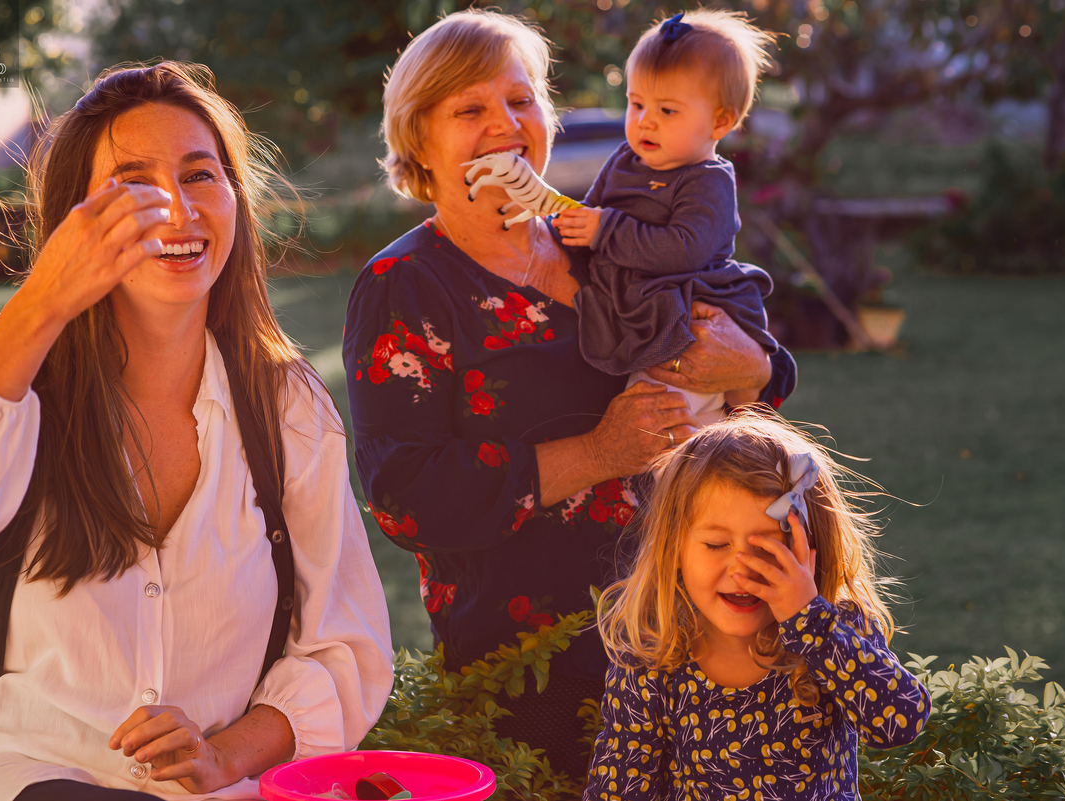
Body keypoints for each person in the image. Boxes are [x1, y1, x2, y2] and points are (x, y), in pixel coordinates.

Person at [343, 9, 795, 780]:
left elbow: (744, 372)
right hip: (536, 667)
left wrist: (752, 368)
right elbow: (405, 495)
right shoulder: (406, 287)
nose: (504, 127)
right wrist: (598, 453)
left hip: (692, 638)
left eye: (521, 101)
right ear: (420, 140)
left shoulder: (604, 240)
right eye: (469, 109)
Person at [0, 63, 393, 801]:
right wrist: (42, 305)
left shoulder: (286, 407)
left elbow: (344, 643)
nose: (176, 208)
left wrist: (224, 756)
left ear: (236, 200)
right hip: (21, 771)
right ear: (77, 216)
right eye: (133, 180)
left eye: (200, 174)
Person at [585, 410, 930, 801]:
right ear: (674, 549)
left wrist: (810, 622)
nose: (741, 569)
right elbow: (622, 788)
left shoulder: (834, 632)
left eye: (767, 547)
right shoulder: (654, 655)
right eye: (717, 545)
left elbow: (897, 723)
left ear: (809, 549)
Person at [553, 10, 781, 426]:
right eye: (636, 103)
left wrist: (606, 229)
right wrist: (561, 225)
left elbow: (683, 250)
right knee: (641, 416)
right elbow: (587, 215)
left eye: (668, 110)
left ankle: (698, 471)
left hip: (686, 313)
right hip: (636, 306)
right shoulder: (625, 158)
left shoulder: (707, 181)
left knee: (677, 425)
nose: (646, 120)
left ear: (721, 120)